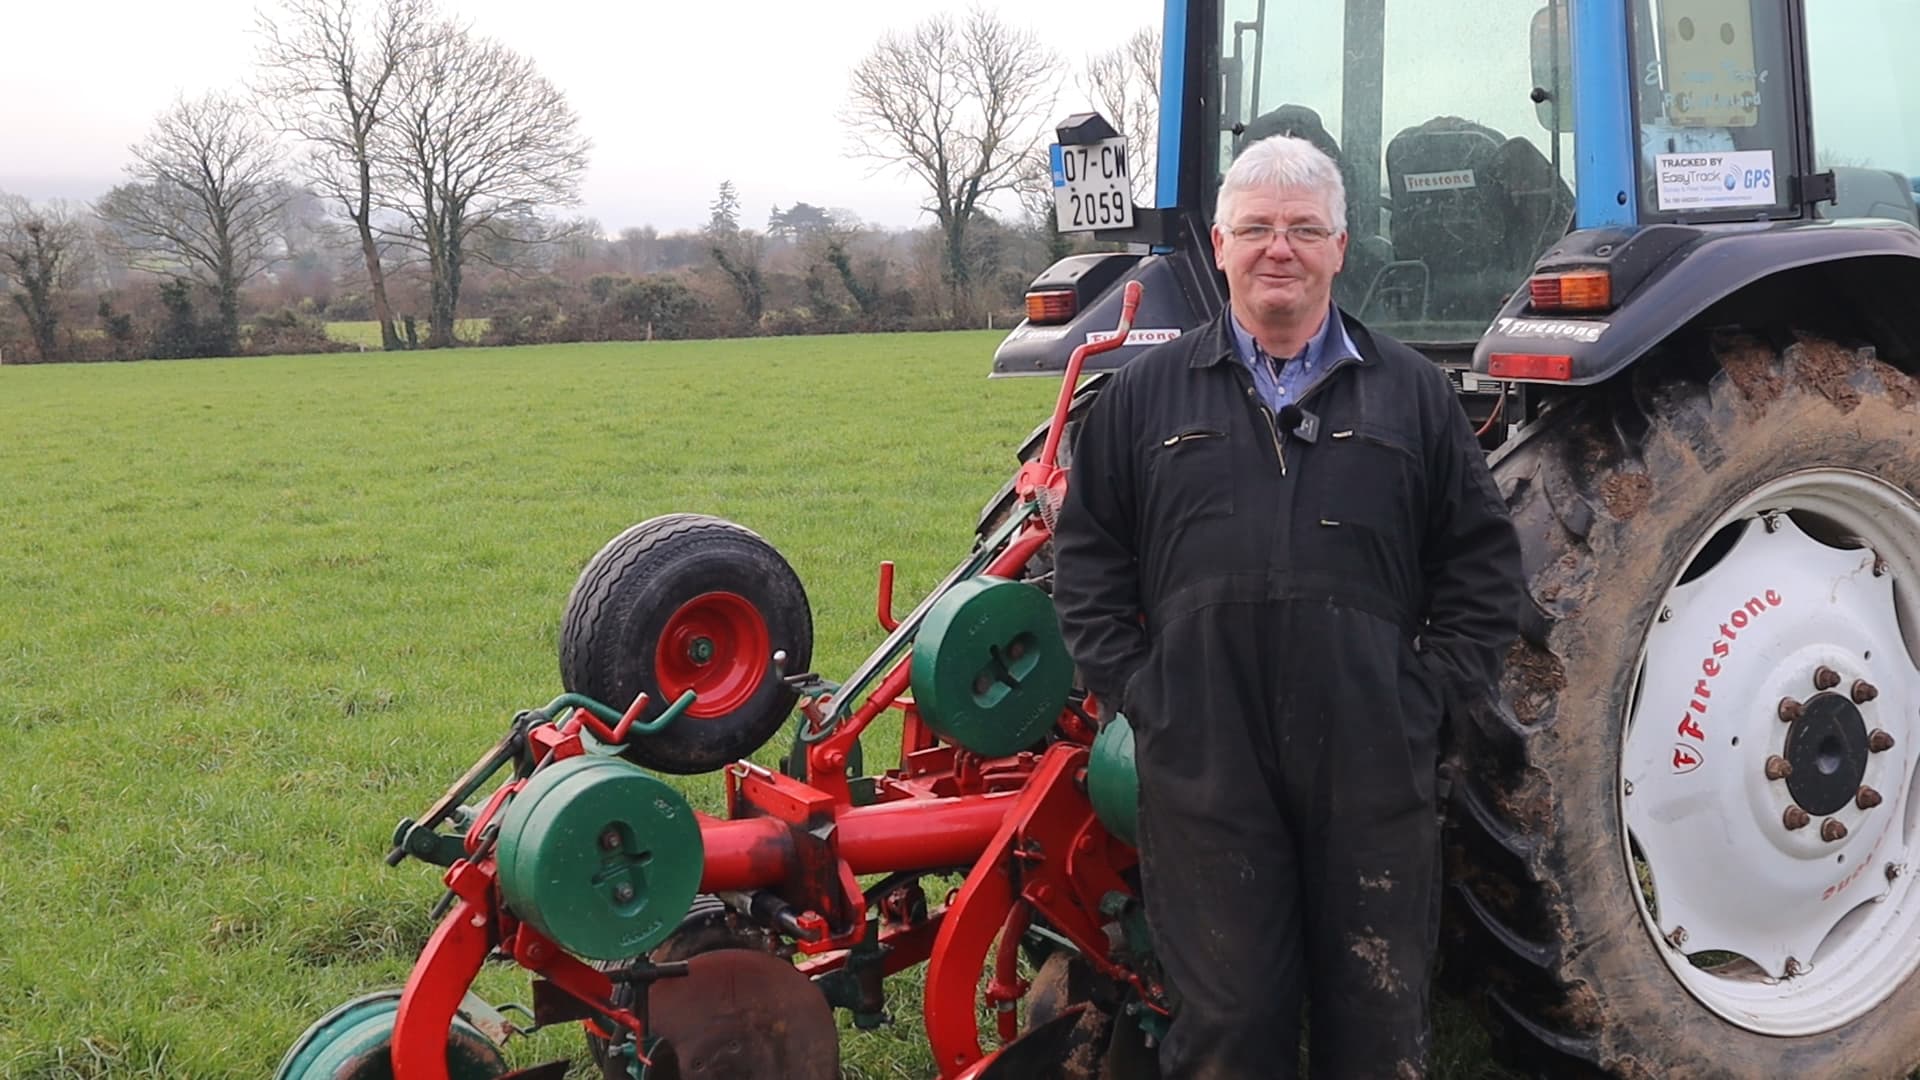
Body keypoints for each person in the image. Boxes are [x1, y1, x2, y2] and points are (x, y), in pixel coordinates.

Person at [1051, 134, 1523, 1078]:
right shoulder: (1145, 396)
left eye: (1304, 229)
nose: (1281, 249)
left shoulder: (1414, 395)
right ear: (1219, 244)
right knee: (1230, 1023)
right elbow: (1089, 559)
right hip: (1207, 760)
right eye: (1258, 228)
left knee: (1377, 1021)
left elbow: (1480, 567)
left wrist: (1424, 703)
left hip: (1371, 761)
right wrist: (1150, 696)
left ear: (1341, 248)